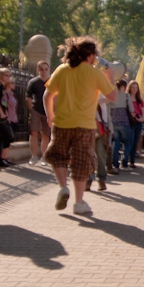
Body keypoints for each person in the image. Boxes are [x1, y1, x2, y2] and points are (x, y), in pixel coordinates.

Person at [44, 36, 117, 215]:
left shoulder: (62, 70)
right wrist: (111, 77)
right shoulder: (94, 73)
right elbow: (113, 97)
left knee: (58, 156)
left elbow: (47, 96)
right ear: (91, 56)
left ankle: (63, 187)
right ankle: (78, 202)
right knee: (81, 162)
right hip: (84, 125)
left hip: (62, 122)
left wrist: (50, 116)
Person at [26, 61, 51, 166]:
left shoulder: (52, 81)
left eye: (46, 69)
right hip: (36, 110)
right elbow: (28, 97)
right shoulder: (33, 82)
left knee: (46, 134)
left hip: (47, 111)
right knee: (34, 132)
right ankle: (34, 156)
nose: (44, 71)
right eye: (41, 69)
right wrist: (31, 108)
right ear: (38, 70)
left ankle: (44, 157)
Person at [0, 68, 16, 167]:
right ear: (0, 75)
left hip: (1, 115)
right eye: (6, 75)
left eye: (9, 75)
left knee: (1, 137)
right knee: (5, 135)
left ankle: (0, 159)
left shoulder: (2, 87)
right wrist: (1, 113)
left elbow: (3, 103)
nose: (8, 77)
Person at [109, 80, 133, 170]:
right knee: (127, 143)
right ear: (123, 87)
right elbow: (131, 109)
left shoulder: (112, 96)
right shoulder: (127, 96)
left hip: (114, 123)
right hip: (124, 122)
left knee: (117, 144)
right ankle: (125, 163)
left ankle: (115, 164)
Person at [126, 80, 144, 168]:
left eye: (136, 88)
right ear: (129, 88)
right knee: (129, 142)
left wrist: (142, 118)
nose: (134, 89)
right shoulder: (126, 98)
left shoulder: (139, 100)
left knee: (135, 142)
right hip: (129, 122)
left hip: (138, 123)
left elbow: (143, 110)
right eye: (133, 87)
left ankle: (132, 161)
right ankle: (125, 160)